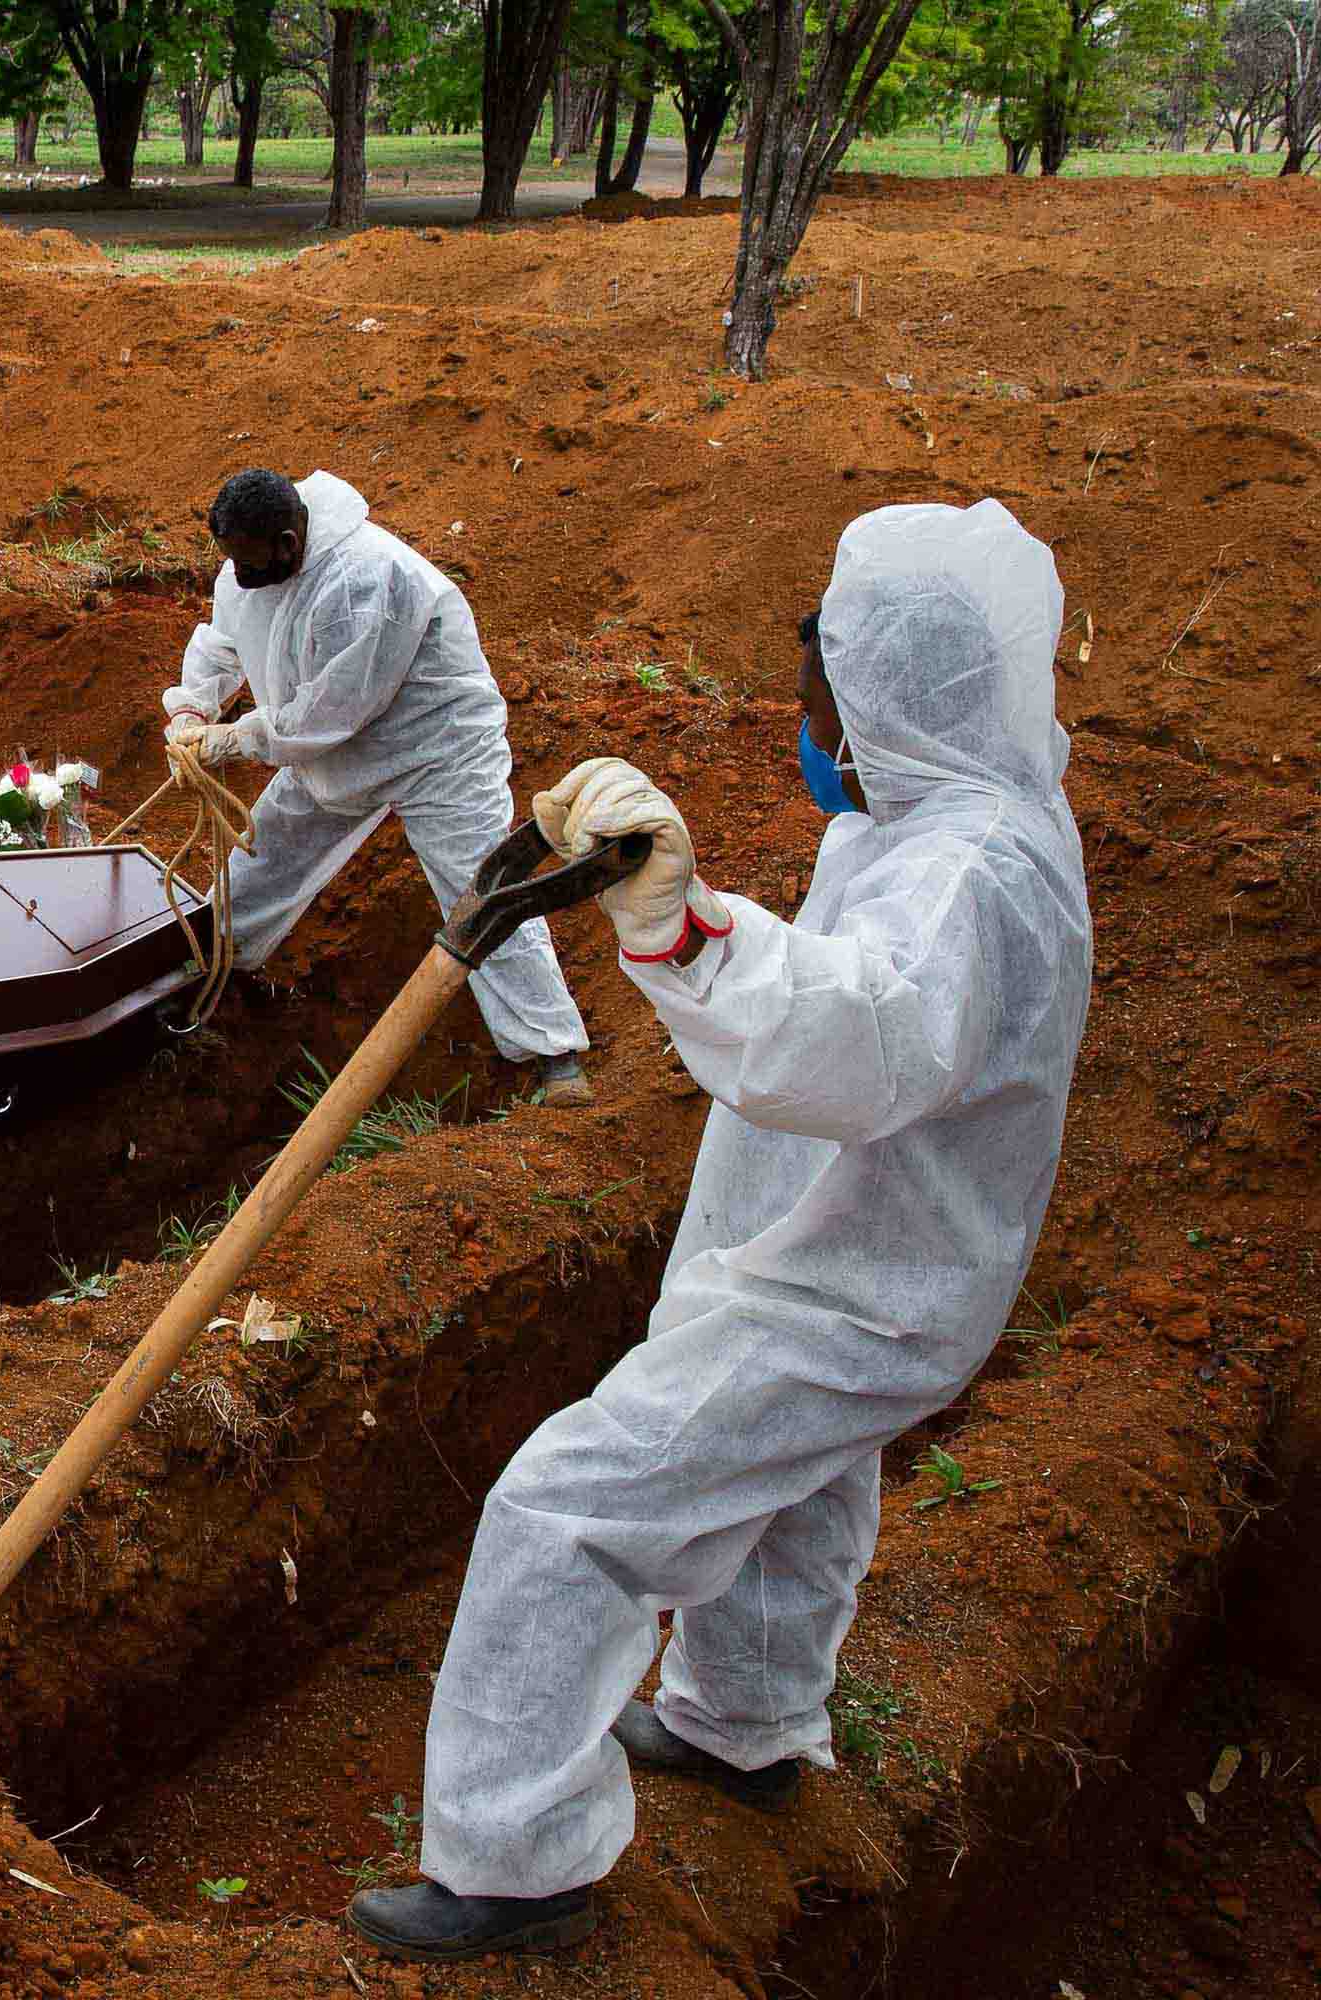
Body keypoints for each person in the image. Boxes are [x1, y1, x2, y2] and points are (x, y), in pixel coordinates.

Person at [346, 499, 1093, 1961]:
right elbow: (852, 989)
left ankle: (515, 1861)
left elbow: (857, 1037)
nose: (804, 715)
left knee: (571, 1507)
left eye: (820, 689)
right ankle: (747, 1724)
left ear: (889, 694)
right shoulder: (939, 820)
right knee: (792, 1484)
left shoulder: (972, 875)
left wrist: (677, 931)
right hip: (851, 1253)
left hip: (863, 1286)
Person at [169, 469, 594, 1106]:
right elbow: (225, 641)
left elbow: (330, 713)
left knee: (479, 887)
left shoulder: (365, 581)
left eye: (251, 564)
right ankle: (212, 963)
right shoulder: (252, 566)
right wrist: (193, 712)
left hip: (435, 750)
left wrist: (235, 741)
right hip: (333, 749)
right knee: (266, 851)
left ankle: (553, 1054)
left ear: (287, 543)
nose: (240, 577)